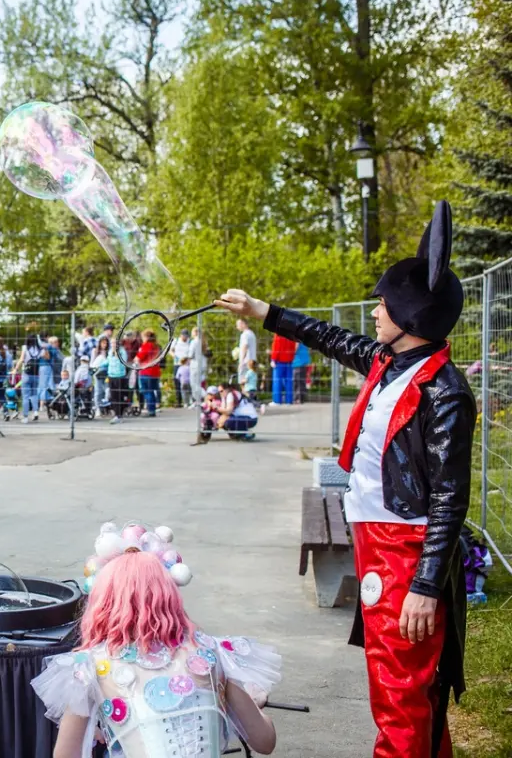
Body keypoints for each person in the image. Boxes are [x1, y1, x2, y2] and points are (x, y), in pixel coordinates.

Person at [215, 201, 474, 758]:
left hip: (404, 550)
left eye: (385, 302)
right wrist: (266, 311)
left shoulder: (444, 391)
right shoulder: (390, 363)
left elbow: (451, 497)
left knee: (400, 690)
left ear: (412, 317)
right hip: (378, 540)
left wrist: (426, 586)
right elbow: (330, 337)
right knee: (410, 686)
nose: (376, 311)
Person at [34, 522, 279, 757]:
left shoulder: (91, 666)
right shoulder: (212, 654)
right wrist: (248, 704)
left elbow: (66, 754)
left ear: (103, 604)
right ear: (169, 595)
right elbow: (265, 741)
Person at [135, 330, 162, 417]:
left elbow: (139, 358)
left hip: (146, 371)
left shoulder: (146, 345)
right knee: (152, 391)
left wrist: (136, 359)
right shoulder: (156, 346)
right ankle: (152, 409)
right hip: (155, 372)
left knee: (147, 391)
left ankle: (151, 410)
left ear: (146, 337)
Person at [17, 334, 44, 423]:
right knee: (34, 394)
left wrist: (15, 369)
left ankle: (25, 417)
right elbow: (47, 356)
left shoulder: (25, 348)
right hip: (36, 374)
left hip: (26, 374)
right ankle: (36, 412)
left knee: (25, 396)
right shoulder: (40, 350)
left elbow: (21, 359)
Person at [269, 333, 296, 405]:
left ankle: (277, 401)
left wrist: (273, 359)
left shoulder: (278, 333)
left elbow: (276, 346)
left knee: (277, 381)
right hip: (289, 360)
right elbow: (293, 347)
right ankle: (289, 401)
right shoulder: (291, 332)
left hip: (279, 360)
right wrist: (291, 358)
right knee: (289, 382)